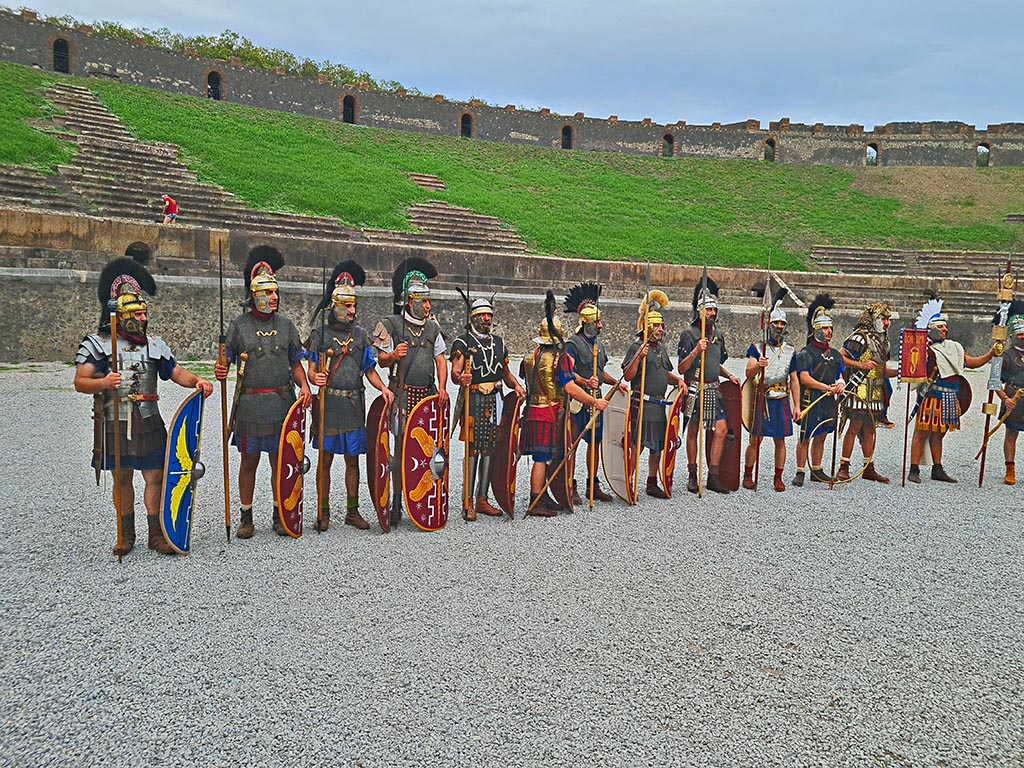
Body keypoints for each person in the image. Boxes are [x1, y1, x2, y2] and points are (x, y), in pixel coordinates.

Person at [74, 255, 212, 557]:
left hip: (149, 419)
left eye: (144, 312)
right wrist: (104, 383)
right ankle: (126, 535)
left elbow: (176, 372)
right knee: (122, 477)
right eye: (137, 313)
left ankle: (157, 535)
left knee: (156, 475)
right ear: (122, 317)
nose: (143, 318)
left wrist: (197, 381)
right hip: (116, 418)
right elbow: (80, 382)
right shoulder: (99, 344)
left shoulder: (154, 345)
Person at [214, 250, 312, 538]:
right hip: (250, 405)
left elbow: (295, 362)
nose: (274, 297)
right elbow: (225, 360)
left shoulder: (286, 326)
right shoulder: (239, 326)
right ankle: (246, 516)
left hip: (283, 404)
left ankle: (279, 513)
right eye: (269, 293)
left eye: (276, 292)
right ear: (255, 295)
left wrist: (304, 385)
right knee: (249, 462)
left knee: (280, 463)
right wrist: (221, 368)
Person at [307, 260, 393, 531]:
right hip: (328, 403)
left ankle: (352, 511)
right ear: (337, 307)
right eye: (349, 306)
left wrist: (383, 388)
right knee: (325, 460)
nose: (354, 311)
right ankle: (323, 511)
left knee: (352, 460)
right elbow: (310, 368)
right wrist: (315, 378)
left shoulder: (361, 335)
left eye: (355, 306)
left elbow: (369, 369)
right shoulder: (319, 334)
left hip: (354, 403)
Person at [372, 257, 449, 526]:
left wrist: (442, 387)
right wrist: (394, 354)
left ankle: (421, 501)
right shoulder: (391, 324)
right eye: (423, 302)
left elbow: (441, 359)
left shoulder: (433, 328)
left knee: (426, 452)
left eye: (429, 302)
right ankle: (395, 501)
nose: (428, 306)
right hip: (402, 395)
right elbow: (379, 360)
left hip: (426, 397)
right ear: (410, 301)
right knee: (399, 450)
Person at [520, 292, 608, 517]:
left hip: (533, 411)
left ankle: (542, 494)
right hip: (549, 412)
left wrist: (585, 381)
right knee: (542, 458)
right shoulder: (559, 358)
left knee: (547, 456)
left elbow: (531, 379)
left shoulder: (531, 357)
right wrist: (593, 400)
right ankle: (534, 500)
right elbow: (568, 386)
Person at [450, 295, 526, 521]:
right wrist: (459, 377)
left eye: (489, 315)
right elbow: (455, 371)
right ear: (473, 317)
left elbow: (505, 372)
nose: (487, 319)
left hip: (496, 399)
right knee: (473, 450)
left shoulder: (499, 343)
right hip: (474, 400)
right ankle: (468, 501)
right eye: (483, 315)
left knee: (490, 448)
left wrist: (517, 386)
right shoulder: (462, 343)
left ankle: (482, 498)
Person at [908, 296, 994, 483]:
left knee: (940, 434)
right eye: (940, 327)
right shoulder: (924, 349)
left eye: (945, 326)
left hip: (950, 396)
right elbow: (913, 371)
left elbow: (971, 363)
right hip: (932, 396)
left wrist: (991, 354)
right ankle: (914, 469)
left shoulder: (955, 347)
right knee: (922, 432)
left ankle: (937, 468)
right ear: (931, 329)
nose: (945, 329)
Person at [677, 275, 741, 494]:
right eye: (708, 310)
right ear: (699, 311)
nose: (712, 314)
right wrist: (696, 350)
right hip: (695, 389)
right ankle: (693, 475)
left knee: (721, 430)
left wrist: (729, 375)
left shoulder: (719, 335)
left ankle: (713, 476)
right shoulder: (689, 334)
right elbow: (681, 369)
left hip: (714, 388)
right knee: (693, 430)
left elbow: (715, 363)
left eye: (714, 310)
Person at [563, 282, 624, 504]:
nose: (601, 325)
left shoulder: (599, 345)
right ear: (586, 323)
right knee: (573, 443)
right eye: (597, 322)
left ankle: (593, 483)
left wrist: (616, 382)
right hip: (578, 402)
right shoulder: (572, 345)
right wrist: (585, 381)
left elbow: (599, 371)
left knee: (595, 443)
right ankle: (569, 485)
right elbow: (569, 373)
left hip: (596, 400)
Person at [623, 290, 685, 498]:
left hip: (659, 406)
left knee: (658, 446)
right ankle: (628, 482)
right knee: (637, 446)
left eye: (662, 326)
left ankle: (651, 483)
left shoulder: (660, 349)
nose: (661, 330)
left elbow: (663, 373)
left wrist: (678, 380)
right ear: (647, 325)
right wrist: (639, 357)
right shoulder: (636, 347)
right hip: (642, 404)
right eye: (657, 326)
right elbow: (628, 376)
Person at [742, 289, 800, 492]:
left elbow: (794, 379)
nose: (780, 327)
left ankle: (778, 477)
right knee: (755, 439)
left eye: (782, 323)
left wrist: (797, 406)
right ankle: (748, 474)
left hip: (781, 398)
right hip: (763, 398)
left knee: (780, 440)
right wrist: (759, 365)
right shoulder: (757, 348)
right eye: (776, 323)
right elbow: (748, 372)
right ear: (769, 324)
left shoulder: (791, 350)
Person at [837, 301, 898, 483]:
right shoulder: (859, 337)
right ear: (872, 319)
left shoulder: (883, 342)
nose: (886, 322)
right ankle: (844, 467)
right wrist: (860, 365)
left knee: (871, 428)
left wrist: (903, 372)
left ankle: (868, 466)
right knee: (854, 426)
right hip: (859, 389)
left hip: (876, 391)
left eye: (888, 319)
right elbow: (840, 357)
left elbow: (882, 370)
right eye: (882, 318)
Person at [793, 294, 846, 486]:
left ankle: (817, 469)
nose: (829, 331)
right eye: (825, 328)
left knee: (822, 434)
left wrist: (840, 384)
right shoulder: (806, 353)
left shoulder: (835, 354)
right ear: (816, 330)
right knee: (806, 435)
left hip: (829, 399)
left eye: (831, 328)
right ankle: (800, 471)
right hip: (811, 398)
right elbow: (805, 378)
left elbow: (840, 374)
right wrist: (827, 387)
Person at [997, 307, 1024, 485]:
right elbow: (993, 381)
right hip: (1014, 397)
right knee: (1011, 433)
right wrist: (1005, 398)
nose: (1023, 337)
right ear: (1013, 335)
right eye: (1020, 334)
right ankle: (1010, 470)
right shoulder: (1006, 355)